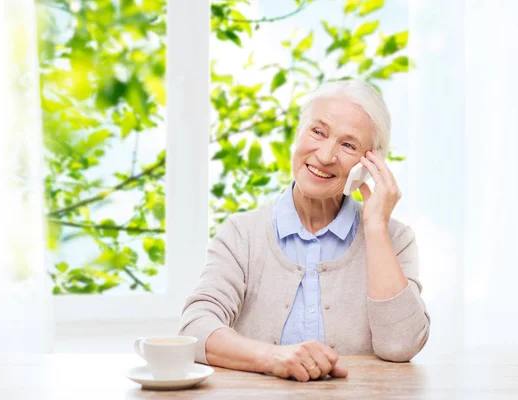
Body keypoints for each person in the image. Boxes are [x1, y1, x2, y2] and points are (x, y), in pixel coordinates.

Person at [179, 79, 430, 382]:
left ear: (369, 163)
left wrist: (376, 229)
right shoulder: (241, 234)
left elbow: (401, 346)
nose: (325, 156)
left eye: (348, 145)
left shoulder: (396, 239)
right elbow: (195, 328)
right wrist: (273, 358)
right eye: (317, 132)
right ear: (298, 134)